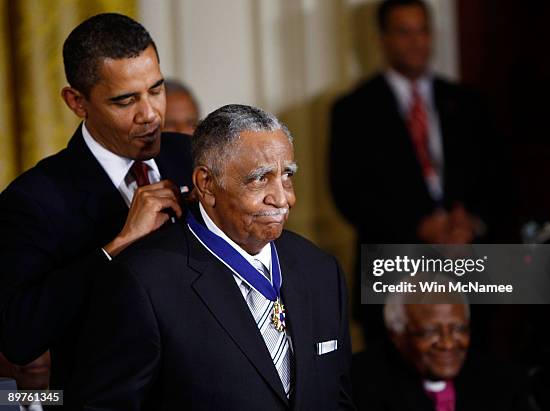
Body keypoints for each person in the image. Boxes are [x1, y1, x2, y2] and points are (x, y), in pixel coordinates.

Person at [67, 104, 354, 410]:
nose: (282, 198)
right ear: (206, 184)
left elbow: (339, 398)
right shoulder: (144, 283)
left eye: (287, 176)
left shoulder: (321, 270)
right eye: (260, 179)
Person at [0, 13, 193, 391]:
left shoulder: (192, 158)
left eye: (156, 90)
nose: (150, 114)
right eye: (126, 101)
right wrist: (117, 246)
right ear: (77, 101)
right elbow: (19, 336)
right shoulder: (33, 200)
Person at [329, 0, 504, 345]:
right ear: (382, 38)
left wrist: (471, 224)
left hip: (468, 270)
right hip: (393, 273)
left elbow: (498, 180)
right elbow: (348, 193)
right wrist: (419, 226)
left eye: (423, 30)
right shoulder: (353, 110)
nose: (417, 42)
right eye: (404, 32)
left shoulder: (468, 102)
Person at [352, 302, 532, 411]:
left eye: (459, 329)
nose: (447, 343)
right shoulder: (358, 385)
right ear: (397, 335)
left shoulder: (503, 382)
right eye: (430, 332)